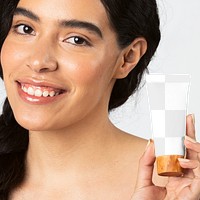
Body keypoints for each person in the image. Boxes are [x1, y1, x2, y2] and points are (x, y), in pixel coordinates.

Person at [0, 0, 199, 199]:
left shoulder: (174, 188)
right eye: (25, 28)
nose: (38, 61)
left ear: (128, 57)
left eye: (76, 40)